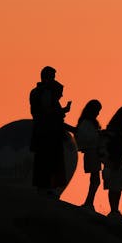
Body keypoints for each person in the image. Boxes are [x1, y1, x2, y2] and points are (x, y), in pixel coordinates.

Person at [29, 65, 71, 194]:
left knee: (46, 160)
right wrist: (62, 110)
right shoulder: (45, 92)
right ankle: (46, 187)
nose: (54, 79)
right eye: (52, 77)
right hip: (47, 132)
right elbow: (46, 111)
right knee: (48, 160)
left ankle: (46, 187)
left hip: (45, 131)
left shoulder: (39, 91)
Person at [74, 99, 104, 210]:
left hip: (94, 153)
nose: (98, 113)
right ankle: (89, 202)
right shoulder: (86, 123)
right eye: (97, 110)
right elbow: (87, 138)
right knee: (95, 179)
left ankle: (89, 202)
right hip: (91, 152)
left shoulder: (89, 122)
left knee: (95, 179)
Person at [102, 106, 122, 218]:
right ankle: (113, 210)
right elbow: (106, 145)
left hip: (120, 161)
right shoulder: (112, 131)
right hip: (112, 160)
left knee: (118, 187)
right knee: (113, 186)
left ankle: (115, 209)